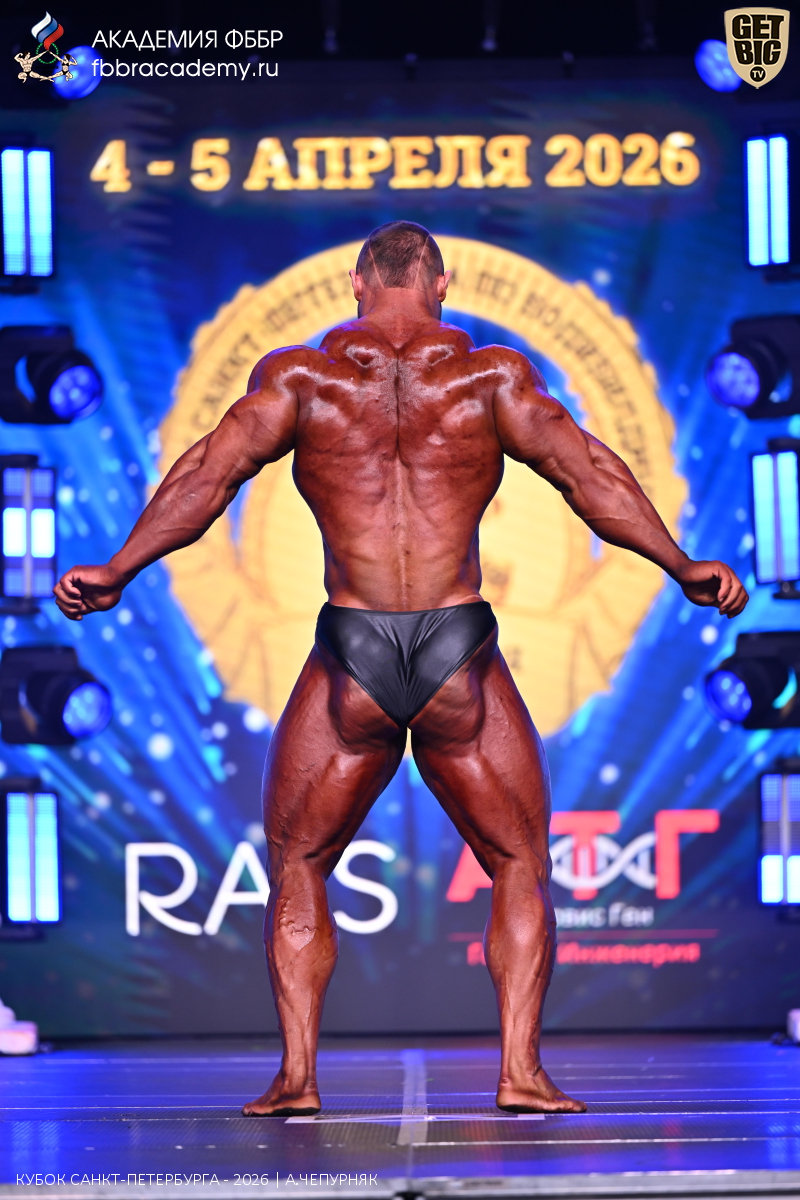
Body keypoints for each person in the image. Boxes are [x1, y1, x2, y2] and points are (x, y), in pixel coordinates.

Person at [55, 221, 748, 1117]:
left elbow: (206, 479)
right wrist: (681, 563)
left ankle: (298, 1077)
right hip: (458, 646)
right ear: (442, 283)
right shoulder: (491, 378)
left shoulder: (299, 379)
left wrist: (117, 567)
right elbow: (589, 477)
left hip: (354, 649)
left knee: (301, 860)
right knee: (519, 861)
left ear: (356, 283)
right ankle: (520, 1072)